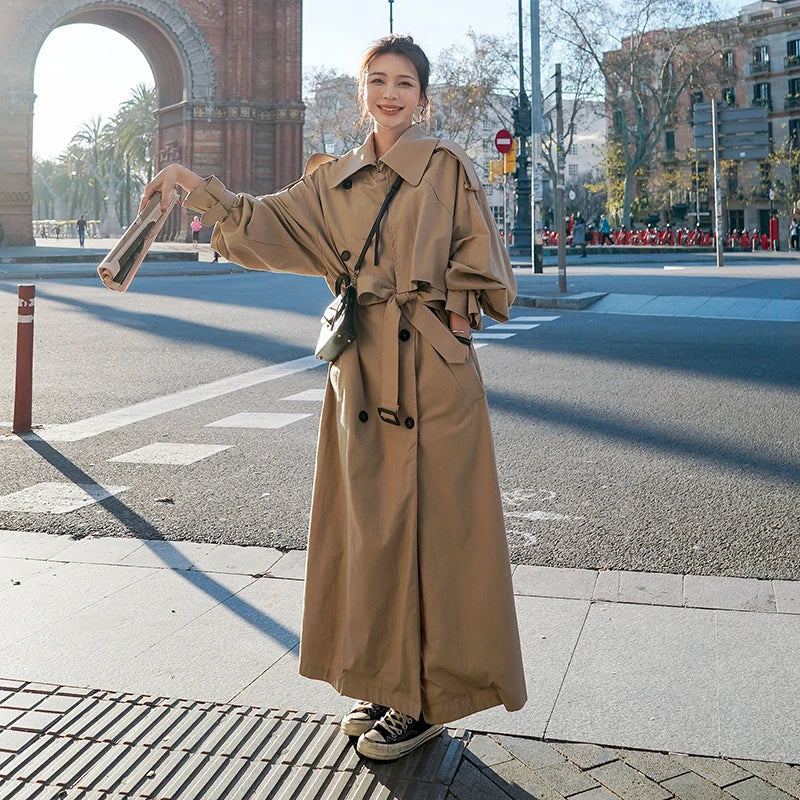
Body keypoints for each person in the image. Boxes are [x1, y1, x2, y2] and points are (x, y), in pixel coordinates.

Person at [139, 34, 526, 762]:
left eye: (404, 82)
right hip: (359, 373)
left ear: (424, 95)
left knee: (436, 537)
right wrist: (190, 182)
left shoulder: (446, 168)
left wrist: (451, 317)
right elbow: (261, 222)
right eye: (377, 80)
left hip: (432, 380)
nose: (390, 94)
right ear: (360, 92)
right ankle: (384, 682)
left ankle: (426, 699)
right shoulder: (332, 180)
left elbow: (486, 268)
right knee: (370, 535)